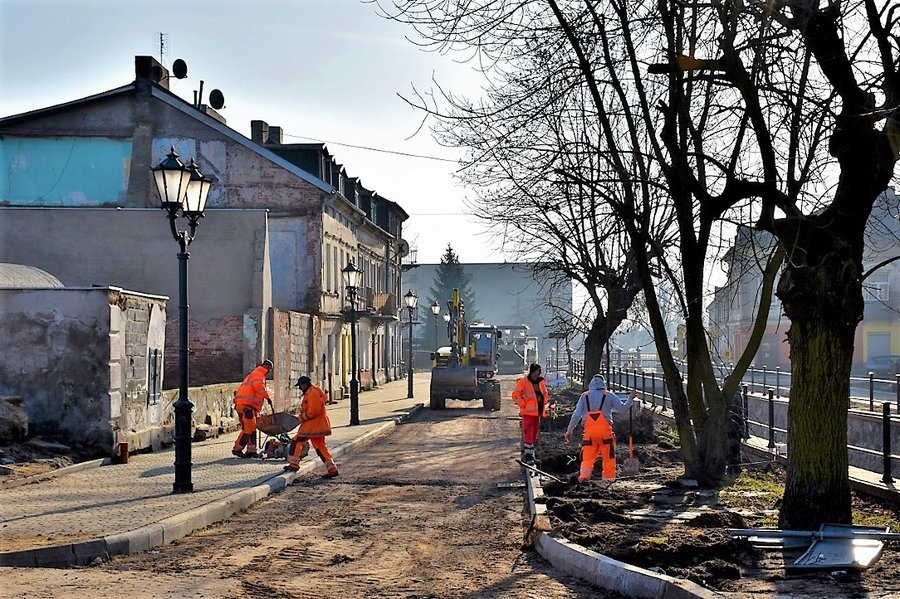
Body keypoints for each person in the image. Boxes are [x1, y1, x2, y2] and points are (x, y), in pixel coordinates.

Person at [564, 374, 637, 483]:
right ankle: (608, 480)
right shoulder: (609, 395)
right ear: (603, 383)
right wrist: (630, 398)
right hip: (605, 434)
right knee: (609, 458)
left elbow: (576, 415)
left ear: (591, 384)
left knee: (587, 459)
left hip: (589, 434)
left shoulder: (585, 396)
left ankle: (584, 478)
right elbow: (622, 409)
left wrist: (569, 431)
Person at [285, 375, 339, 478]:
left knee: (296, 442)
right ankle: (332, 468)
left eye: (300, 385)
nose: (300, 388)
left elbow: (313, 412)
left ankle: (293, 464)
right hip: (318, 425)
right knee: (320, 447)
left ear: (305, 384)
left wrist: (301, 417)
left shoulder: (312, 394)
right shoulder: (312, 391)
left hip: (312, 425)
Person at [232, 359, 274, 458]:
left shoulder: (255, 373)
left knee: (252, 428)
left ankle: (252, 450)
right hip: (246, 406)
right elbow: (259, 387)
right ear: (268, 368)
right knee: (248, 429)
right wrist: (267, 397)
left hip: (248, 406)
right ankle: (237, 449)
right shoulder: (259, 374)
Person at [512, 363, 550, 464]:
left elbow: (545, 394)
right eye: (538, 370)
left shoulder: (541, 382)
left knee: (534, 434)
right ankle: (528, 456)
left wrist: (544, 404)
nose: (540, 373)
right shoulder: (523, 382)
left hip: (537, 413)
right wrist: (523, 404)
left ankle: (531, 455)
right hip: (528, 413)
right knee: (528, 433)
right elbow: (516, 394)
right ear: (533, 371)